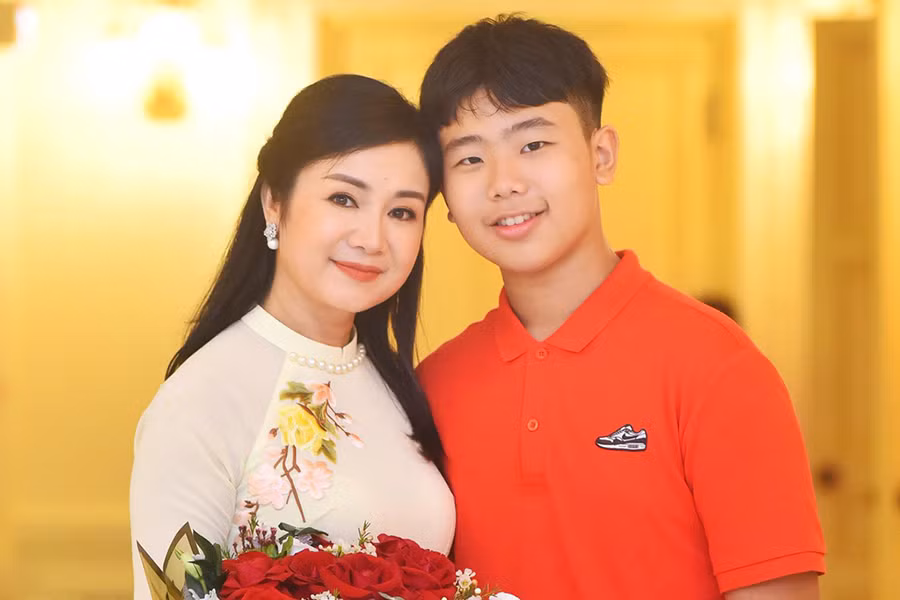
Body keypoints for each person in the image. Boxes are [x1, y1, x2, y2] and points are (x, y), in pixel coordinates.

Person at [416, 15, 825, 600]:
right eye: (469, 159)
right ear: (446, 199)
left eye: (533, 144)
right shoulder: (435, 384)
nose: (504, 183)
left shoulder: (717, 366)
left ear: (601, 155)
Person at [129, 74, 455, 599]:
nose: (372, 238)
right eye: (344, 198)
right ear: (274, 202)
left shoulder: (401, 387)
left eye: (401, 212)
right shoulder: (202, 399)